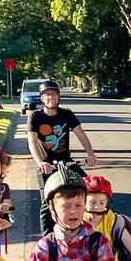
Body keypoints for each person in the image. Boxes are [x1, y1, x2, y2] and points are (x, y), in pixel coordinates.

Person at [26, 80, 98, 234]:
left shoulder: (66, 114)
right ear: (42, 98)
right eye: (47, 95)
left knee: (89, 189)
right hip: (46, 165)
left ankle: (88, 231)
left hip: (66, 162)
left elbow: (81, 135)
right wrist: (40, 162)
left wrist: (90, 154)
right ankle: (47, 239)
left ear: (58, 97)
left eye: (54, 94)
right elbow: (32, 142)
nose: (51, 97)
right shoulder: (35, 117)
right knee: (47, 201)